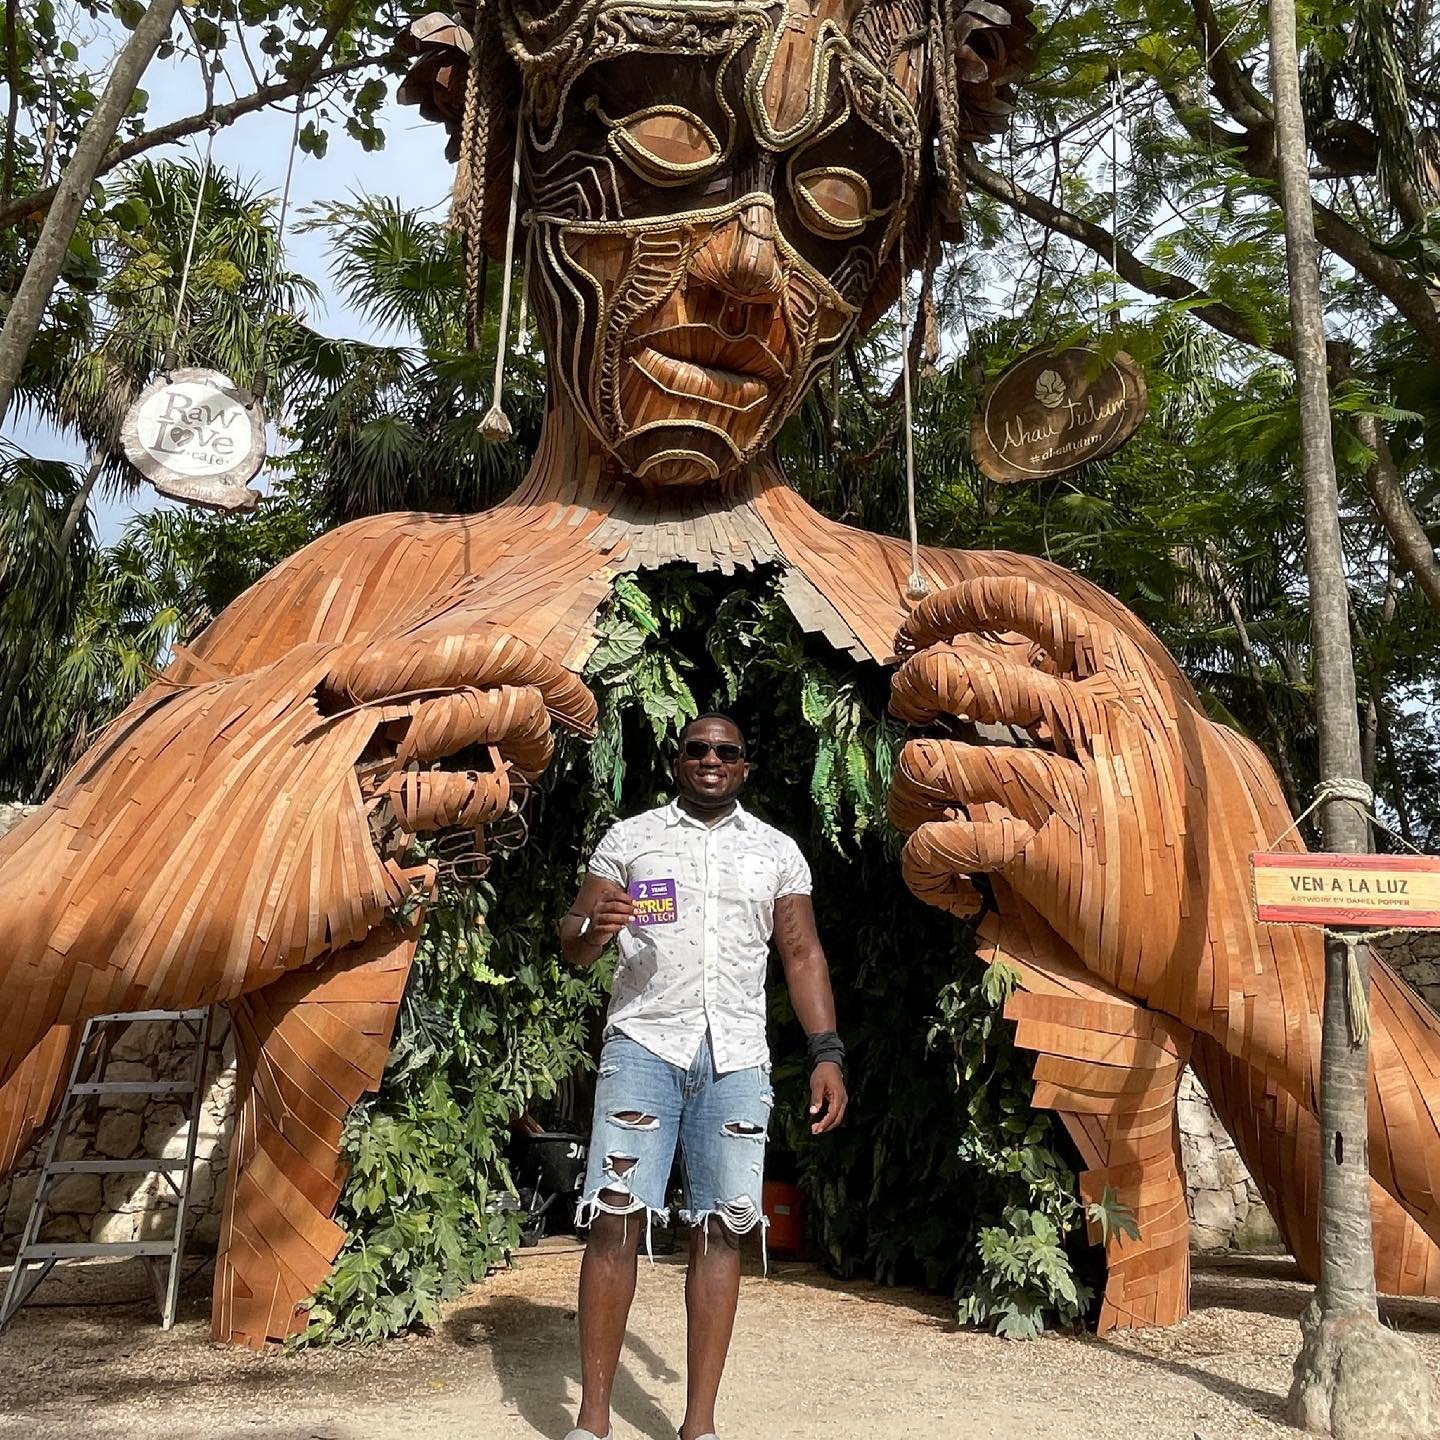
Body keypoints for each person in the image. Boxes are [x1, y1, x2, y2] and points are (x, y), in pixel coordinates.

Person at [558, 712, 847, 1440]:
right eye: (698, 749)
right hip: (644, 1047)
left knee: (722, 1229)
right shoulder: (631, 840)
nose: (712, 759)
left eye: (727, 751)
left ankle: (699, 1426)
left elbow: (803, 954)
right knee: (615, 1220)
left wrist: (827, 1052)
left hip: (737, 1060)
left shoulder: (776, 853)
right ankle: (593, 1423)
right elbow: (573, 944)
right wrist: (597, 927)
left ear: (745, 766)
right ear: (678, 761)